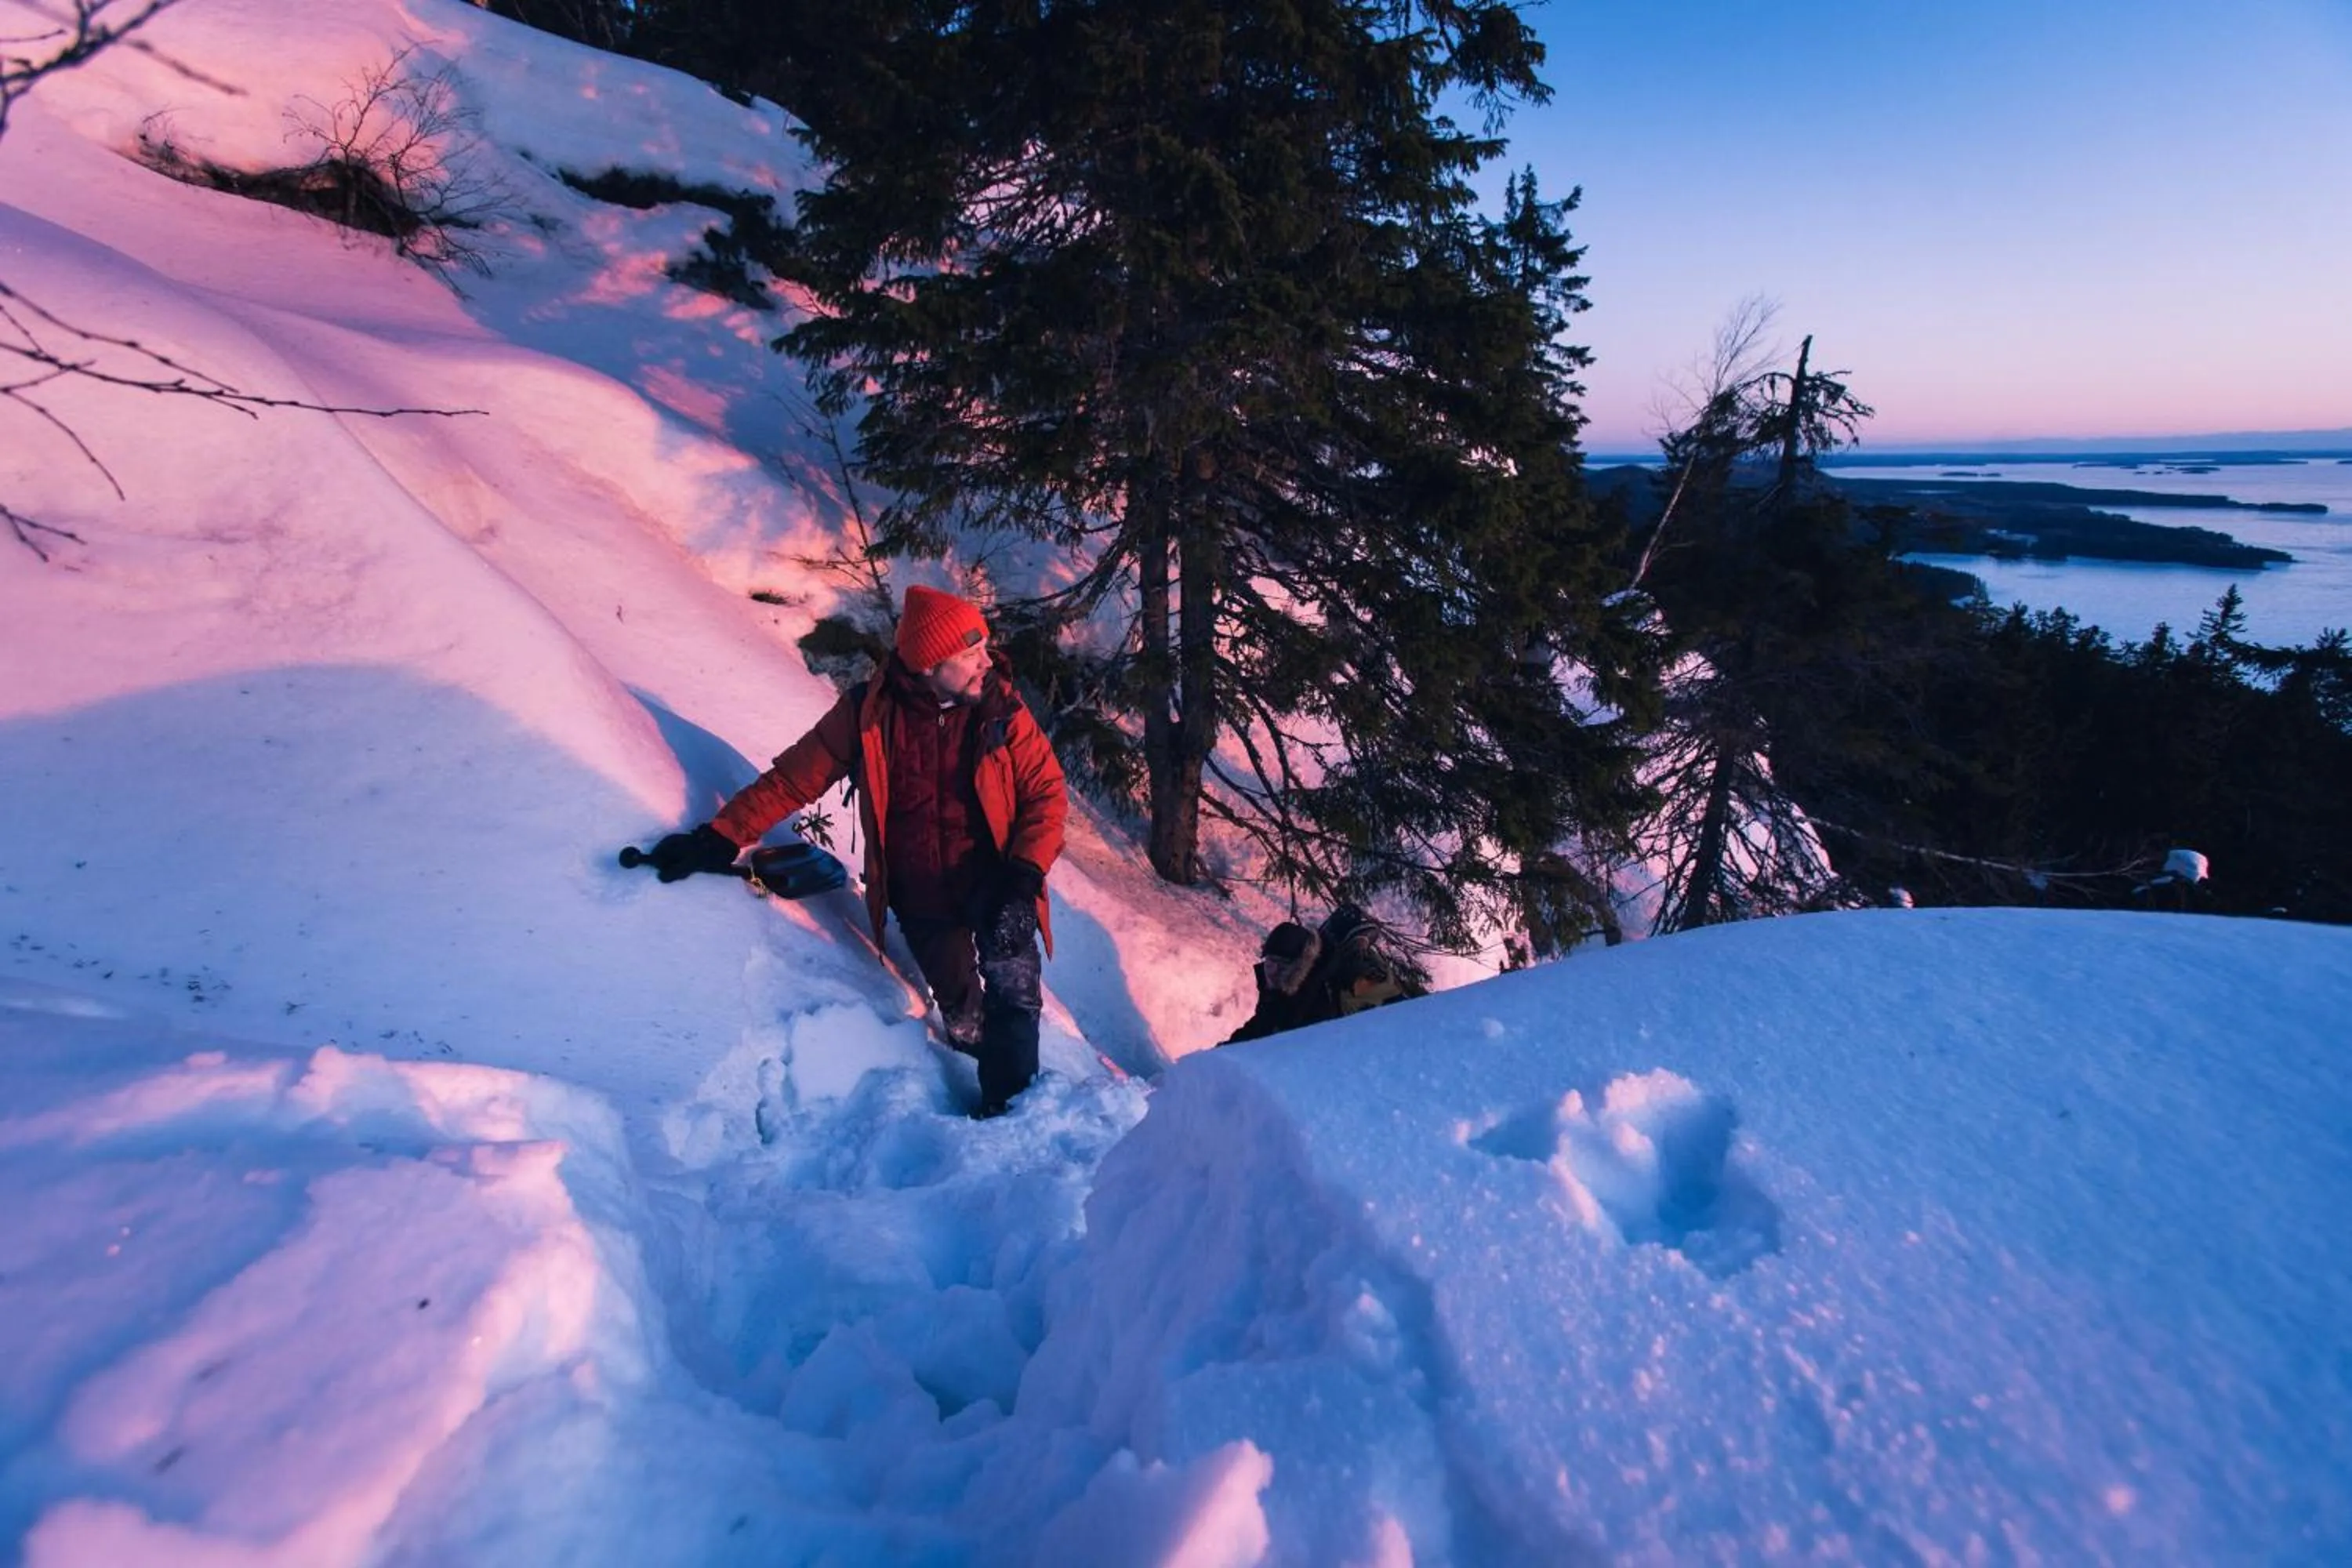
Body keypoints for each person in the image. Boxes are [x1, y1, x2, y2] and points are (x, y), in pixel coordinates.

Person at [641, 586, 1068, 1117]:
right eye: (970, 654)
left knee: (1014, 991)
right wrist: (721, 836)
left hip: (998, 880)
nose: (987, 663)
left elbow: (1046, 795)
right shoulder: (868, 715)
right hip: (923, 895)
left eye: (983, 649)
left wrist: (1024, 877)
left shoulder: (1003, 712)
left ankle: (1011, 1113)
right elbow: (793, 780)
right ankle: (975, 1056)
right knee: (962, 1013)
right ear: (931, 665)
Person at [1222, 904, 1425, 1045]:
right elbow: (1263, 1024)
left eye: (1280, 965)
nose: (1271, 971)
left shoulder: (1318, 998)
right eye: (1269, 963)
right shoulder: (1281, 985)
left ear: (1298, 966)